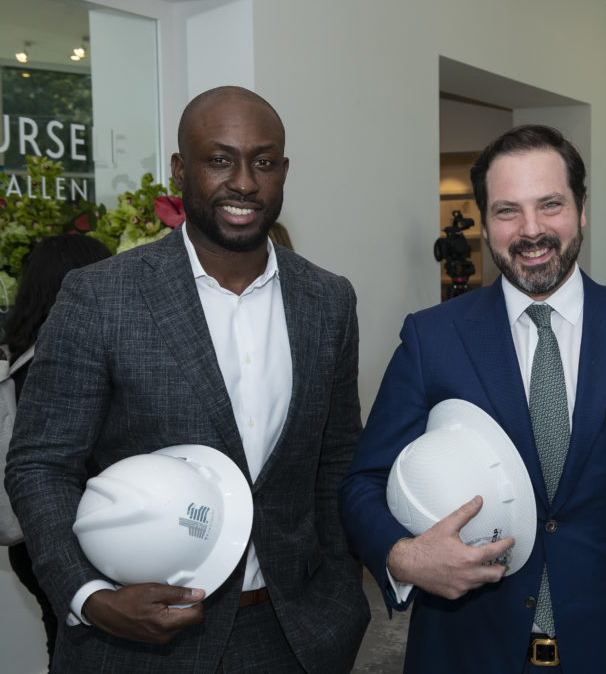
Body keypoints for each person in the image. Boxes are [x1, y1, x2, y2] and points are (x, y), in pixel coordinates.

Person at [5, 86, 369, 673]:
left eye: (265, 161)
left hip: (291, 634)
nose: (245, 182)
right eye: (219, 159)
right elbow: (40, 463)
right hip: (138, 640)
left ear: (284, 171)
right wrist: (89, 598)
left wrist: (341, 600)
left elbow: (336, 461)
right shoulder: (101, 296)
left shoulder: (328, 299)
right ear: (181, 169)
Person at [340, 124, 606, 673]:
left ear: (581, 209)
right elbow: (363, 483)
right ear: (482, 221)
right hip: (466, 646)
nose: (531, 230)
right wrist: (404, 556)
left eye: (550, 205)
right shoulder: (433, 338)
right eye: (507, 211)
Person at [1, 233, 112, 666]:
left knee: (62, 644)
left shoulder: (19, 360)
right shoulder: (71, 363)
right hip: (76, 542)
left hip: (30, 545)